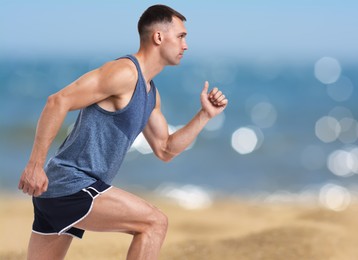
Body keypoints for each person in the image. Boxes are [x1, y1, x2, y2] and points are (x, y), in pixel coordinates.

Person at [17, 4, 228, 260]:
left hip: (59, 191)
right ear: (159, 37)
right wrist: (34, 165)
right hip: (72, 184)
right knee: (154, 222)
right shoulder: (124, 73)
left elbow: (165, 149)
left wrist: (204, 115)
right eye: (181, 36)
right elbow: (57, 101)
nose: (185, 45)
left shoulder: (150, 93)